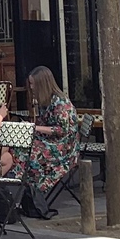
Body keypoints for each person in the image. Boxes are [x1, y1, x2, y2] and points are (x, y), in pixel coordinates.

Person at [18, 67, 78, 217]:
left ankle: (29, 191)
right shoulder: (47, 101)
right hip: (52, 142)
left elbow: (62, 130)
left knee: (28, 153)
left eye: (33, 85)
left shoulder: (60, 103)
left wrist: (35, 128)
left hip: (64, 149)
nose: (31, 88)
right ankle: (27, 192)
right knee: (20, 148)